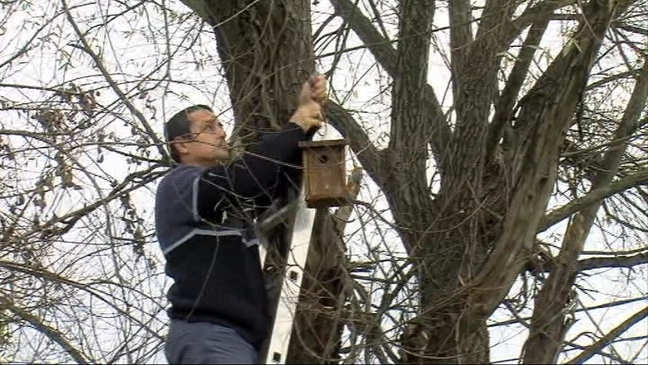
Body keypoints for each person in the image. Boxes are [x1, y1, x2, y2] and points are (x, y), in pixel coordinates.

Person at [155, 75, 328, 364]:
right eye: (209, 128)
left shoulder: (223, 202)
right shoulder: (180, 185)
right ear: (182, 145)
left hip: (235, 339)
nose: (222, 133)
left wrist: (306, 123)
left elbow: (271, 183)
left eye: (221, 125)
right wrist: (296, 123)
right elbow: (247, 179)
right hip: (209, 333)